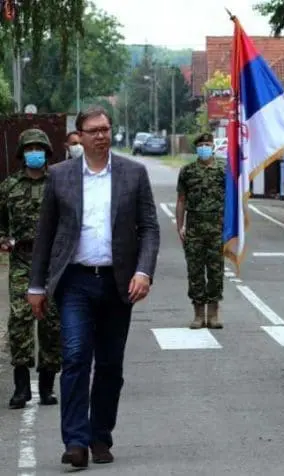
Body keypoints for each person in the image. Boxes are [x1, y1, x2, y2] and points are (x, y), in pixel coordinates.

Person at [27, 106, 160, 468]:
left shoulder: (134, 174)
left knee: (110, 366)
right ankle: (76, 441)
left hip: (119, 284)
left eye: (106, 129)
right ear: (80, 136)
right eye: (94, 130)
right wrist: (37, 285)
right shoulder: (60, 176)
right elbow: (46, 235)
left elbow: (149, 227)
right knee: (74, 357)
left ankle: (101, 435)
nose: (101, 135)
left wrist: (143, 271)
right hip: (75, 282)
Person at [0, 129, 62, 410]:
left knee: (51, 322)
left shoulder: (58, 183)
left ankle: (47, 385)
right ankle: (21, 387)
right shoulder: (9, 187)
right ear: (22, 152)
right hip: (22, 260)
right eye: (29, 147)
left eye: (39, 147)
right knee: (20, 321)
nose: (34, 152)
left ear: (47, 152)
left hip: (52, 261)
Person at [175, 132, 226, 329]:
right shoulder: (188, 171)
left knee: (215, 271)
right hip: (195, 229)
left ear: (213, 146)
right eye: (201, 144)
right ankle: (198, 314)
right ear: (197, 148)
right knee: (195, 272)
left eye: (208, 144)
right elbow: (181, 201)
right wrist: (180, 226)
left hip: (217, 228)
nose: (205, 147)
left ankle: (213, 314)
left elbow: (233, 198)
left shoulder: (224, 169)